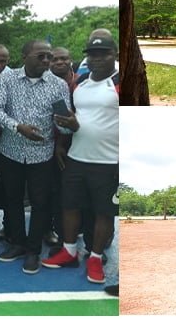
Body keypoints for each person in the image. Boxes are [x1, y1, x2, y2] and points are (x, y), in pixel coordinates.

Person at [0, 40, 72, 275]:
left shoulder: (57, 85)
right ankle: (18, 244)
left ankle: (33, 250)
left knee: (40, 203)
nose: (46, 61)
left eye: (49, 56)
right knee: (12, 199)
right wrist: (17, 127)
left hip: (42, 155)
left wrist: (69, 125)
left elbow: (63, 124)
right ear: (25, 56)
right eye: (41, 56)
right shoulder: (8, 78)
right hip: (11, 151)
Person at [41, 36, 119, 284]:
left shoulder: (120, 82)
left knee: (103, 213)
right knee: (70, 206)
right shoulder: (80, 83)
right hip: (76, 157)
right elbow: (75, 116)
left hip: (109, 161)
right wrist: (62, 144)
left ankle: (95, 257)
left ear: (115, 54)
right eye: (92, 54)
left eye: (103, 53)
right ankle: (69, 251)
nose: (96, 58)